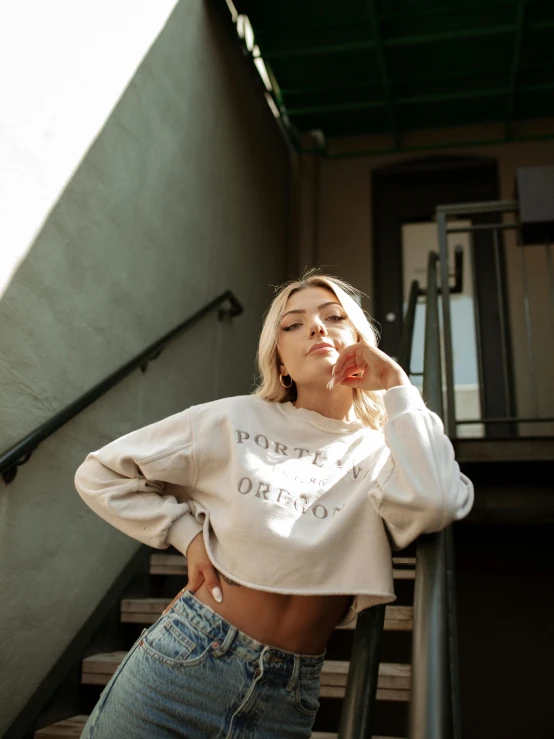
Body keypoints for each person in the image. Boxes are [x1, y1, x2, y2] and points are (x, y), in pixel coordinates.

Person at [74, 271, 474, 738]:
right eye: (294, 324)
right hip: (183, 666)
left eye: (334, 316)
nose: (317, 328)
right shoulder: (231, 418)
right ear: (280, 361)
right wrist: (185, 537)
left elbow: (437, 500)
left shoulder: (385, 450)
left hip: (286, 697)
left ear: (361, 341)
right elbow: (100, 474)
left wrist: (397, 387)